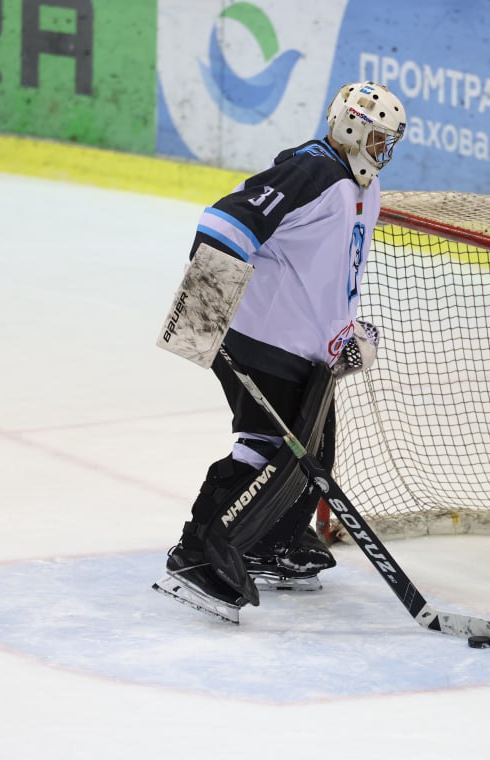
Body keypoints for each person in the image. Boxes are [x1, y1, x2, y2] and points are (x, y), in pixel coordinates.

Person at [153, 81, 407, 624]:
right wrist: (203, 317)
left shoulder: (364, 189)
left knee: (316, 455)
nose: (382, 150)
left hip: (304, 348)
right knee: (267, 450)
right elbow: (225, 222)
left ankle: (272, 543)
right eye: (377, 137)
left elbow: (331, 271)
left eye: (389, 141)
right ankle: (198, 553)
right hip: (260, 338)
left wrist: (342, 332)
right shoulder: (311, 171)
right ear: (351, 127)